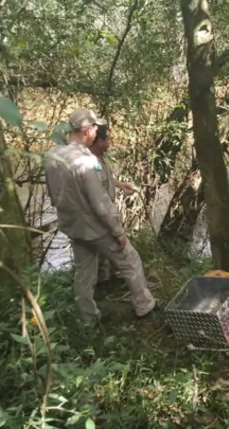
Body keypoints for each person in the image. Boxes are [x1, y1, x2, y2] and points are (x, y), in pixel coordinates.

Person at [44, 108, 158, 325]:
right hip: (95, 226)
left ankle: (87, 317)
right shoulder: (84, 161)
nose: (97, 132)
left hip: (72, 225)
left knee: (84, 270)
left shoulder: (53, 155)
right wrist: (118, 231)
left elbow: (53, 193)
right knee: (129, 259)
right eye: (95, 128)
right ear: (87, 130)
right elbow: (100, 202)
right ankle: (145, 306)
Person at [87, 124, 140, 285]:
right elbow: (95, 191)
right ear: (100, 141)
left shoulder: (101, 158)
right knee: (110, 248)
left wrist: (121, 185)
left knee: (105, 253)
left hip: (107, 210)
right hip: (99, 214)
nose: (110, 142)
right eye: (108, 139)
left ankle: (107, 280)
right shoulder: (88, 163)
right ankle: (100, 286)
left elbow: (106, 178)